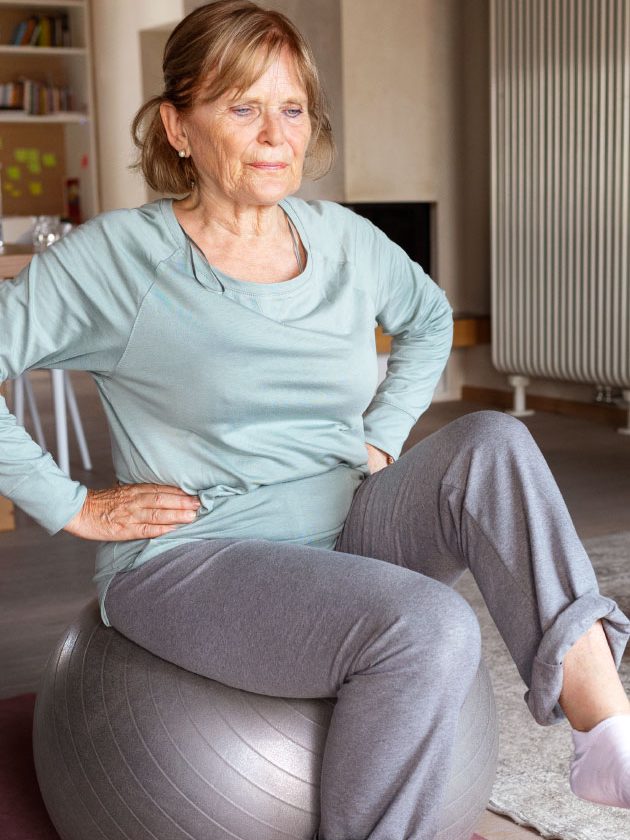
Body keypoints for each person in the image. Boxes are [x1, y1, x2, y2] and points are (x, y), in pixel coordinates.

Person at [1, 1, 629, 837]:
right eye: (243, 106)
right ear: (177, 128)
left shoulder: (341, 237)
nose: (275, 135)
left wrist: (380, 436)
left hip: (347, 519)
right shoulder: (120, 260)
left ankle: (606, 737)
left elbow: (429, 320)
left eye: (291, 108)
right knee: (430, 627)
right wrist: (72, 504)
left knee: (495, 440)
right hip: (199, 554)